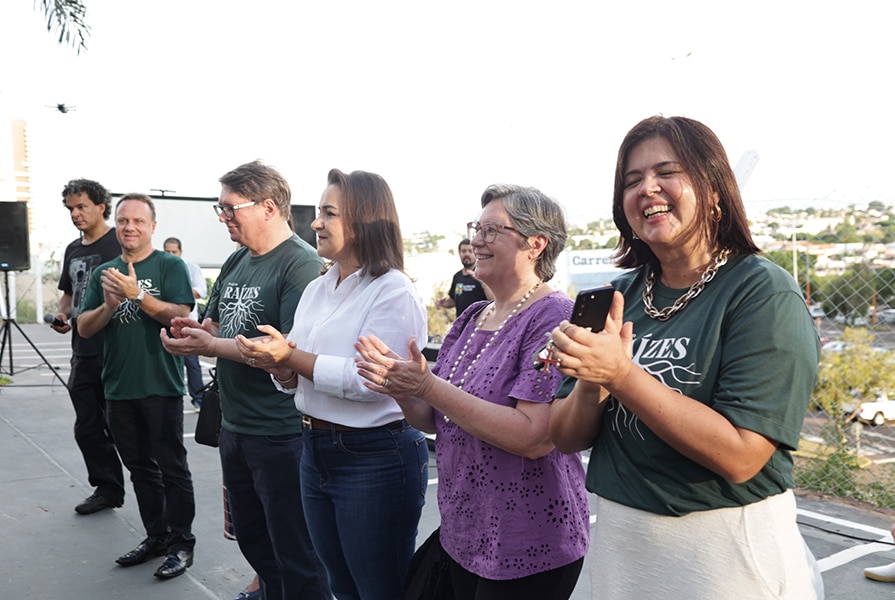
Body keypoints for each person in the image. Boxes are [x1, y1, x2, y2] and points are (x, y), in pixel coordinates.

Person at [546, 115, 824, 599]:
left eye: (666, 172)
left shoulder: (762, 292)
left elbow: (740, 456)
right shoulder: (618, 295)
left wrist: (620, 372)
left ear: (713, 189)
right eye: (632, 181)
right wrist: (592, 380)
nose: (647, 188)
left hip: (725, 554)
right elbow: (566, 436)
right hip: (624, 547)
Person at [354, 184, 589, 599]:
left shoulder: (554, 317)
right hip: (466, 531)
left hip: (529, 540)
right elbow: (432, 417)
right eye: (475, 229)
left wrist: (428, 385)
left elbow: (534, 437)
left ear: (536, 244)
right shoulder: (472, 319)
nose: (475, 241)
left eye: (491, 230)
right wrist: (400, 388)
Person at [235, 168, 429, 600]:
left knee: (380, 589)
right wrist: (281, 369)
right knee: (339, 584)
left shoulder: (392, 290)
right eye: (319, 212)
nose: (316, 222)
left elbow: (369, 380)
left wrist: (289, 357)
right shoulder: (318, 288)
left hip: (374, 456)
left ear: (364, 221)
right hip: (315, 450)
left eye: (329, 213)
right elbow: (296, 379)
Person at [160, 161, 330, 599]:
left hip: (280, 432)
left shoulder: (301, 265)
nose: (224, 218)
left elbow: (287, 350)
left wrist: (209, 347)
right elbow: (214, 323)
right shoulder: (237, 259)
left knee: (297, 550)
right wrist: (194, 334)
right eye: (221, 209)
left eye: (230, 208)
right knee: (254, 540)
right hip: (236, 426)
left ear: (268, 207)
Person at [77, 193, 198, 579]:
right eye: (123, 220)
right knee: (140, 469)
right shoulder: (105, 273)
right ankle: (156, 537)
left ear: (152, 227)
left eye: (138, 221)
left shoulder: (169, 265)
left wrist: (138, 296)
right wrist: (110, 304)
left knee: (172, 469)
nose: (130, 227)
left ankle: (181, 543)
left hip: (160, 385)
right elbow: (84, 327)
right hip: (118, 388)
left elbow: (181, 313)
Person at [50, 179, 127, 516]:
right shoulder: (73, 249)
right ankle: (107, 488)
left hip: (116, 350)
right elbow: (69, 295)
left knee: (126, 427)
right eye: (70, 209)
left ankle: (158, 499)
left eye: (81, 206)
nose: (75, 214)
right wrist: (62, 315)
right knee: (87, 426)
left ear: (100, 205)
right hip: (82, 350)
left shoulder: (120, 242)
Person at [163, 236, 208, 410]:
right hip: (164, 321)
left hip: (188, 323)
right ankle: (168, 397)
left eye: (174, 251)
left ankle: (198, 399)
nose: (171, 254)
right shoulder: (161, 269)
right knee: (166, 362)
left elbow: (201, 291)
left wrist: (178, 294)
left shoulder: (191, 269)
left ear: (180, 252)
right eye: (167, 251)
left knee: (191, 362)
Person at [435, 238, 492, 317]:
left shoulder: (483, 274)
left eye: (470, 251)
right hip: (462, 325)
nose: (467, 254)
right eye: (464, 251)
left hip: (480, 324)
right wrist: (442, 303)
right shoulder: (457, 277)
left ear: (475, 253)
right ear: (459, 253)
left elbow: (493, 300)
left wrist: (482, 282)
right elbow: (455, 300)